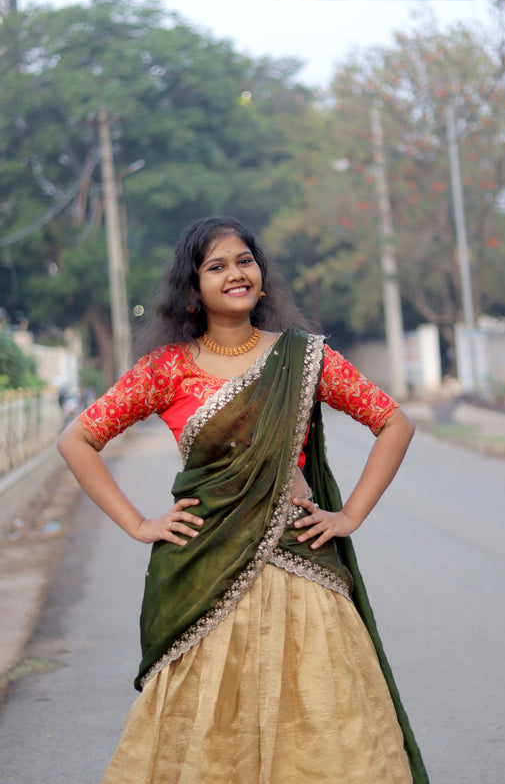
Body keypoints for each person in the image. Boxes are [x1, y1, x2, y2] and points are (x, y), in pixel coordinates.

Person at [57, 216, 429, 784]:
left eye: (245, 260)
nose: (236, 273)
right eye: (217, 265)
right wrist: (138, 523)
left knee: (325, 724)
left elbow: (393, 423)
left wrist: (350, 514)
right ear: (192, 289)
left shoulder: (306, 359)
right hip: (205, 573)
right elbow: (77, 439)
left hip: (301, 566)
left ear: (261, 273)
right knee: (210, 729)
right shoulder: (167, 369)